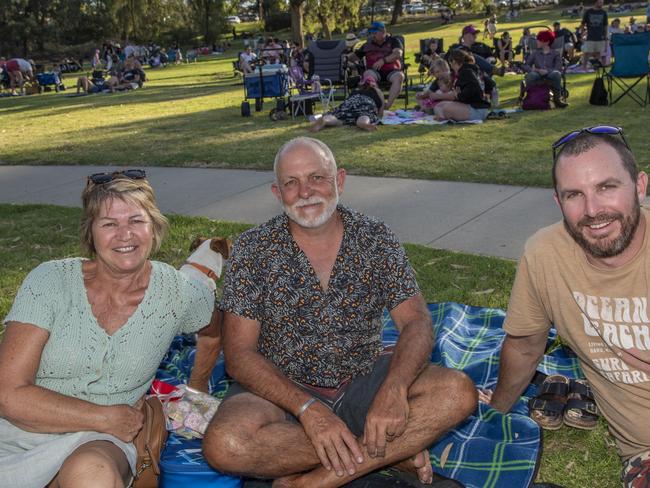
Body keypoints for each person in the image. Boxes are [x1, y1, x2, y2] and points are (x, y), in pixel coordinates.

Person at [202, 137, 477, 487]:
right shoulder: (253, 249)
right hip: (281, 389)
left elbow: (417, 321)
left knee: (458, 393)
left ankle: (314, 481)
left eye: (316, 177)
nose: (305, 191)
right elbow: (239, 355)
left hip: (362, 378)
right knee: (226, 444)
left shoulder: (375, 237)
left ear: (340, 181)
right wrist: (308, 410)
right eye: (291, 182)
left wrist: (394, 387)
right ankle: (391, 452)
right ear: (277, 192)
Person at [0, 170, 222, 487]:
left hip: (100, 441)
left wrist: (195, 401)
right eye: (109, 224)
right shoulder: (50, 281)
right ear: (90, 233)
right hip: (18, 432)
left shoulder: (177, 291)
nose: (124, 235)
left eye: (136, 221)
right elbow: (8, 396)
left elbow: (213, 330)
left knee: (92, 473)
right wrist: (105, 416)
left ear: (154, 228)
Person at [482, 126, 650, 488]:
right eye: (575, 194)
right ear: (558, 203)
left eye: (607, 187)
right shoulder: (546, 255)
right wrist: (494, 411)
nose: (593, 210)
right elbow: (526, 347)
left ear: (639, 186)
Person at [347, 21, 405, 110]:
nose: (372, 35)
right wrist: (347, 54)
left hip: (392, 71)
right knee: (368, 75)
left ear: (383, 31)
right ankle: (380, 104)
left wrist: (383, 60)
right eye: (371, 33)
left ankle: (388, 105)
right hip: (374, 71)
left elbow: (398, 54)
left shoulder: (393, 40)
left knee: (400, 76)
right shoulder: (367, 45)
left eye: (375, 32)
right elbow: (353, 57)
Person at [309, 73, 385, 132]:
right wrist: (379, 116)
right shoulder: (377, 91)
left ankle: (325, 120)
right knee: (365, 114)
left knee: (340, 117)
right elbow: (381, 111)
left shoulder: (356, 90)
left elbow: (347, 101)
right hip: (367, 103)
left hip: (351, 102)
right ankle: (364, 123)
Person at [433, 49, 491, 122]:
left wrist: (458, 95)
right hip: (476, 107)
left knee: (445, 108)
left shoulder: (466, 72)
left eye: (450, 64)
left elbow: (472, 90)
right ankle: (442, 118)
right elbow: (490, 84)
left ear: (454, 61)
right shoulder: (471, 69)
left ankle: (444, 117)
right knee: (439, 106)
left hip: (476, 110)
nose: (451, 67)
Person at [523, 30, 568, 109]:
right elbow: (526, 65)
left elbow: (558, 67)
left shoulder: (555, 53)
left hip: (550, 73)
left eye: (539, 40)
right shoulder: (535, 53)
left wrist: (547, 71)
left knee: (556, 74)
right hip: (537, 73)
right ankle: (532, 98)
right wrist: (535, 70)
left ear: (546, 42)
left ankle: (557, 100)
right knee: (531, 75)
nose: (537, 41)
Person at [581, 0, 608, 70]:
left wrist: (605, 35)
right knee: (587, 52)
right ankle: (584, 67)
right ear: (595, 2)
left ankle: (596, 66)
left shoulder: (603, 12)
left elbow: (605, 25)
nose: (601, 4)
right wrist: (582, 33)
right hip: (590, 36)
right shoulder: (588, 12)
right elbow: (583, 23)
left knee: (598, 52)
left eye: (602, 2)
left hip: (600, 36)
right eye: (600, 2)